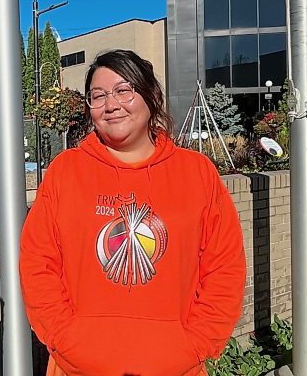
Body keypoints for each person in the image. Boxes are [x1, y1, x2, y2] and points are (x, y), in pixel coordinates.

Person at [19, 49, 246, 376]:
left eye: (123, 90)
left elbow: (224, 266)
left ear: (151, 95)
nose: (111, 105)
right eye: (98, 96)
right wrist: (63, 337)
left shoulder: (196, 173)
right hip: (78, 366)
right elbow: (37, 262)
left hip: (176, 365)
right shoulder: (65, 172)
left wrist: (197, 342)